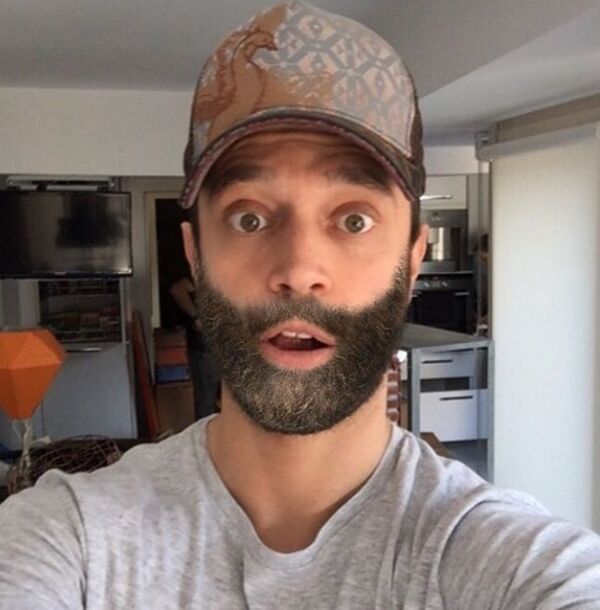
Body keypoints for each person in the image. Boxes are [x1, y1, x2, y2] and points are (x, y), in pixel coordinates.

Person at [1, 3, 600, 608]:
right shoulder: (68, 540)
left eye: (355, 219)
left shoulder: (514, 564)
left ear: (413, 258)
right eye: (249, 217)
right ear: (195, 253)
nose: (298, 270)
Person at [169, 276, 220, 418]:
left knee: (214, 399)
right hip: (206, 348)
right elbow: (177, 289)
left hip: (216, 347)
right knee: (207, 400)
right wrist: (197, 317)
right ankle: (205, 431)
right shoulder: (201, 276)